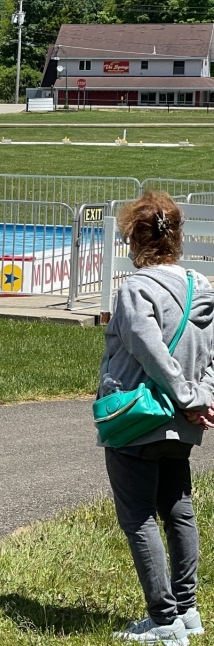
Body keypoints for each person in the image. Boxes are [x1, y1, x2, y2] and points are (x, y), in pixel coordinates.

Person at [100, 192, 214, 646]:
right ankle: (187, 611)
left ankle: (164, 620)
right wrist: (201, 397)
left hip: (136, 415)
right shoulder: (201, 287)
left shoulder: (135, 289)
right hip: (183, 421)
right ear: (178, 236)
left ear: (133, 237)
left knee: (139, 516)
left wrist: (186, 395)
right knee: (178, 508)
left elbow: (151, 353)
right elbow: (208, 356)